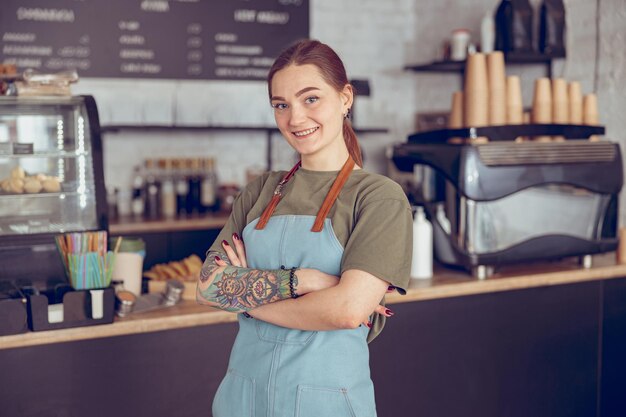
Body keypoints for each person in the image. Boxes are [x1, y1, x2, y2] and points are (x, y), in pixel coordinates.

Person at [197, 39, 412, 417]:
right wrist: (303, 282)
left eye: (310, 98)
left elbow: (346, 310)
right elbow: (208, 287)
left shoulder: (380, 198)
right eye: (281, 105)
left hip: (325, 402)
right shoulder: (259, 192)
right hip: (241, 399)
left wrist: (245, 300)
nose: (295, 118)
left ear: (346, 97)